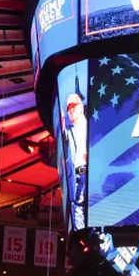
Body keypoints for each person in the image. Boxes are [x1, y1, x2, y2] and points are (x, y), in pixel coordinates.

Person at [63, 92, 88, 229]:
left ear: (81, 108)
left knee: (80, 204)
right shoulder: (72, 130)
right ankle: (82, 231)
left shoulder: (89, 125)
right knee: (77, 204)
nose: (71, 111)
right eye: (69, 109)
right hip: (79, 172)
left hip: (88, 171)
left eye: (73, 107)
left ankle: (84, 232)